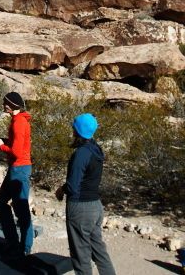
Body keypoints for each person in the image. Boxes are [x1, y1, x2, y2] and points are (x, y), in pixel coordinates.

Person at [56, 113, 116, 275]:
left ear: (78, 131)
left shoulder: (81, 153)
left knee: (80, 255)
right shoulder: (96, 149)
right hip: (95, 206)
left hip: (80, 208)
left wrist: (61, 190)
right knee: (99, 250)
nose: (72, 131)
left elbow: (73, 186)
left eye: (74, 128)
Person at [0, 91, 34, 257]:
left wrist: (1, 146)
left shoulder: (19, 123)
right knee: (1, 202)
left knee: (21, 209)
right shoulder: (18, 120)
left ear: (10, 106)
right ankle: (13, 242)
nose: (3, 105)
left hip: (19, 169)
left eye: (4, 103)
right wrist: (3, 140)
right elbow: (18, 144)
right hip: (17, 168)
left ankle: (25, 247)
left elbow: (16, 151)